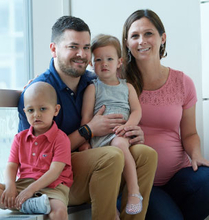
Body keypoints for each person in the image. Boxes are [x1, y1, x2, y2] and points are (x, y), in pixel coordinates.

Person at [17, 16, 157, 220]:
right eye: (73, 47)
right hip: (53, 179)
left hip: (92, 160)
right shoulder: (39, 92)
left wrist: (132, 131)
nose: (81, 54)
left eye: (86, 47)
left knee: (146, 154)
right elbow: (35, 156)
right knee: (112, 155)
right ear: (54, 49)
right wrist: (88, 131)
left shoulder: (92, 81)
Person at [122, 9, 209, 220]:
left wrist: (196, 155)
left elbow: (188, 134)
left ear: (162, 38)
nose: (142, 41)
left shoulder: (183, 82)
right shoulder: (117, 83)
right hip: (142, 183)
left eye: (148, 33)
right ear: (126, 43)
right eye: (135, 35)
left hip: (179, 176)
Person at [79, 34, 143, 216]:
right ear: (91, 64)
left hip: (120, 135)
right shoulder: (93, 88)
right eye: (98, 60)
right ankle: (110, 208)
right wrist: (85, 143)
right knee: (108, 168)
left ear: (119, 62)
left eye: (109, 59)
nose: (104, 63)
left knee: (119, 145)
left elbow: (137, 111)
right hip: (98, 139)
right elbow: (86, 118)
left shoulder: (127, 87)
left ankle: (134, 191)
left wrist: (128, 127)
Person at [0, 82, 73, 220]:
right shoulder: (19, 138)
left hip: (52, 187)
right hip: (23, 185)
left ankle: (23, 204)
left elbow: (54, 172)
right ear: (24, 112)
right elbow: (11, 166)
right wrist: (10, 187)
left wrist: (31, 190)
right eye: (31, 110)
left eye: (43, 109)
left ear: (56, 110)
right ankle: (29, 204)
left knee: (59, 213)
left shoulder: (61, 139)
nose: (36, 115)